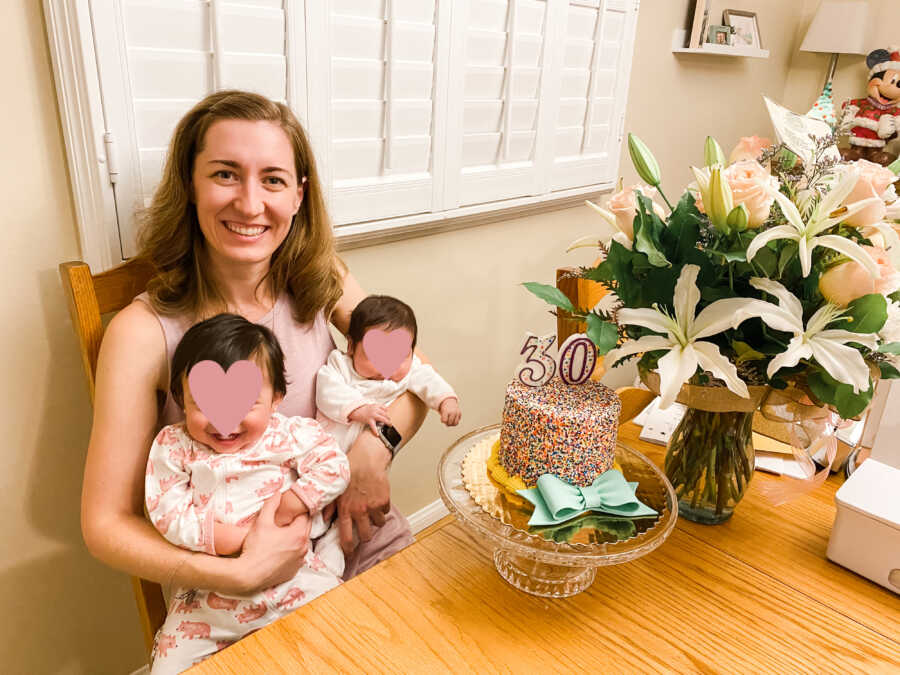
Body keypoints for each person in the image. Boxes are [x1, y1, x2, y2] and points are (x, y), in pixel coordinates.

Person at [81, 90, 427, 619]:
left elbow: (415, 380)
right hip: (239, 598)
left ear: (298, 196)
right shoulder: (142, 333)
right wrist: (234, 570)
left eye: (272, 179)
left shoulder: (320, 279)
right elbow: (105, 525)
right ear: (189, 188)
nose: (250, 203)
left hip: (357, 540)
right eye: (224, 174)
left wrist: (368, 456)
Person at [147, 314, 348, 673]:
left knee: (348, 634)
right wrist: (230, 539)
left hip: (294, 578)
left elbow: (335, 464)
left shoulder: (288, 433)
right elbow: (165, 508)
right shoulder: (174, 445)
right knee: (167, 665)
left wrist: (298, 499)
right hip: (206, 597)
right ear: (181, 400)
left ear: (276, 399)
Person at [316, 295, 461, 453]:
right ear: (351, 346)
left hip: (365, 454)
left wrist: (446, 400)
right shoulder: (340, 366)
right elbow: (327, 390)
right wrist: (359, 409)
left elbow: (429, 379)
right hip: (324, 447)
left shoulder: (411, 371)